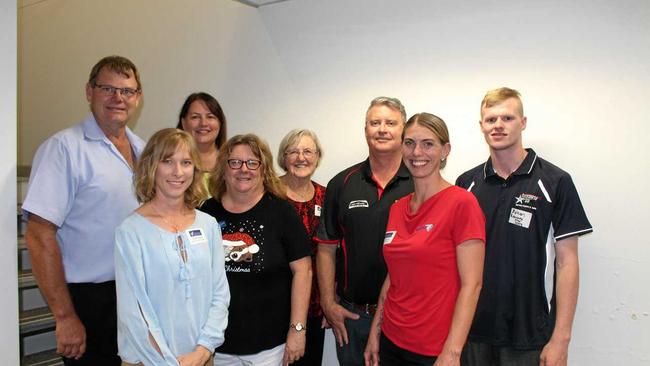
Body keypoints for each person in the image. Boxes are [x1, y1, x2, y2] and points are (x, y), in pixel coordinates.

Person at [456, 87, 593, 366]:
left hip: (530, 334)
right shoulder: (466, 184)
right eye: (491, 119)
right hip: (472, 331)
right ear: (481, 126)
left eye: (507, 118)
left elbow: (568, 263)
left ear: (523, 122)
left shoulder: (555, 181)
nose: (498, 125)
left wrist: (560, 339)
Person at [22, 55, 145, 365]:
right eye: (108, 88)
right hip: (89, 300)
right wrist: (64, 316)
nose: (118, 98)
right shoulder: (63, 149)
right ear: (89, 92)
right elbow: (39, 234)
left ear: (138, 98)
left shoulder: (144, 150)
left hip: (137, 295)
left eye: (127, 91)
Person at [363, 113, 485, 366]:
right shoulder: (397, 208)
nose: (417, 152)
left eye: (428, 144)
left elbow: (472, 285)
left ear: (445, 150)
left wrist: (452, 351)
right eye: (409, 143)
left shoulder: (462, 203)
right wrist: (375, 333)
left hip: (434, 349)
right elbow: (393, 276)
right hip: (391, 340)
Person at [114, 128, 230, 366]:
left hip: (199, 358)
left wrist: (203, 350)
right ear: (151, 166)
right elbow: (133, 312)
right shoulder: (131, 231)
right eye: (167, 161)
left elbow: (219, 293)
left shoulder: (208, 225)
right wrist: (168, 361)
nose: (178, 172)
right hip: (147, 360)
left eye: (186, 162)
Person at [315, 97, 414, 365]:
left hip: (404, 317)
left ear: (403, 131)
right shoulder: (341, 183)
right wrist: (328, 304)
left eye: (390, 123)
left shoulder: (420, 183)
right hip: (352, 318)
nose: (382, 129)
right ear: (365, 130)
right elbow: (326, 247)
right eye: (375, 122)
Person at [200, 134, 312, 365]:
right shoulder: (206, 213)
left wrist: (298, 329)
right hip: (216, 343)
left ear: (263, 169)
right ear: (224, 168)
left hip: (270, 347)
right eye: (235, 162)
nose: (244, 169)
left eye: (252, 162)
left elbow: (304, 272)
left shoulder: (281, 212)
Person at [277, 129, 327, 365]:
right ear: (283, 158)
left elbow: (334, 253)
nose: (301, 157)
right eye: (293, 151)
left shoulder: (326, 198)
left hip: (314, 307)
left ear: (317, 157)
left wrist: (330, 301)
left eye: (308, 151)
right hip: (274, 307)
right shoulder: (267, 194)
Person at [177, 92, 227, 176]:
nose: (203, 123)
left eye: (210, 117)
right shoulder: (171, 164)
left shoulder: (232, 164)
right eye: (195, 117)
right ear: (184, 123)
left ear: (220, 123)